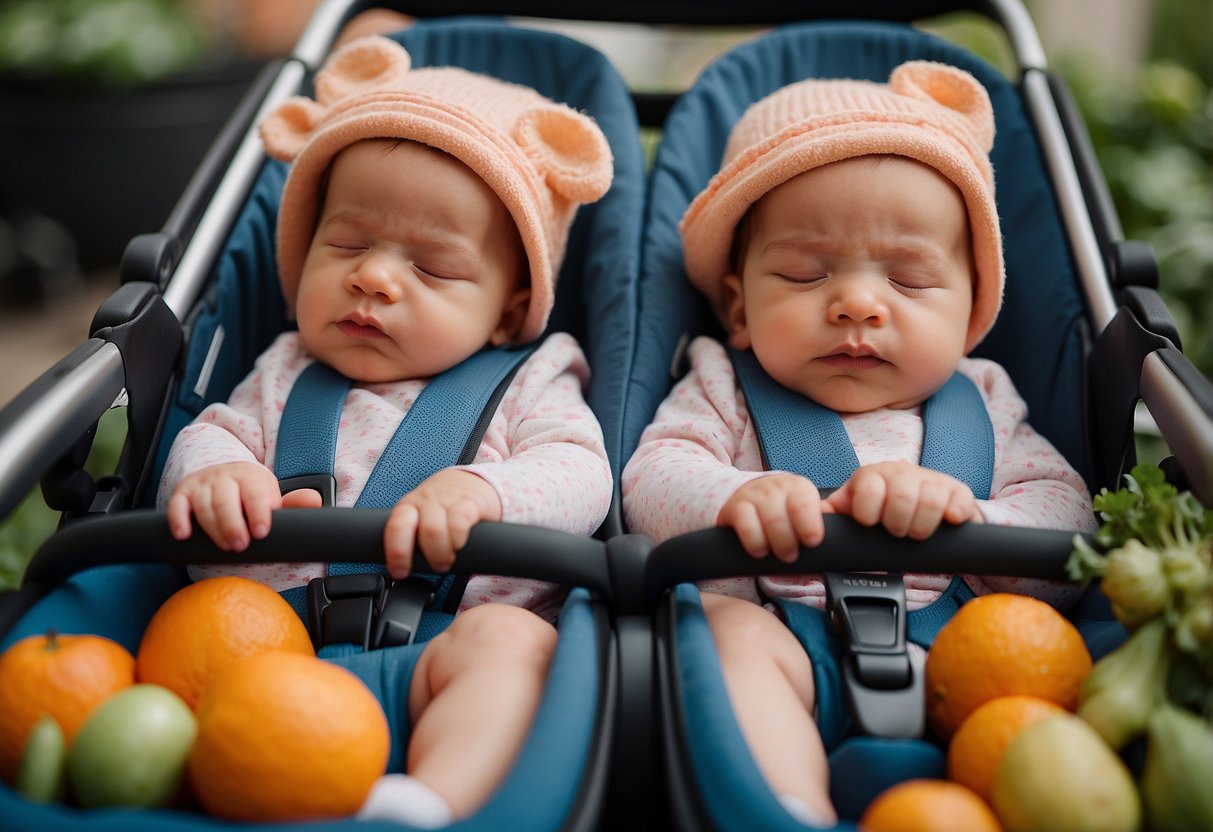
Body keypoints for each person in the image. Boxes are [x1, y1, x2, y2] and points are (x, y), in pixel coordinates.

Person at [622, 60, 1096, 826]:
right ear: (737, 309)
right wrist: (734, 496)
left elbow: (1068, 523)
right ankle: (784, 807)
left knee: (1035, 656)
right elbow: (648, 482)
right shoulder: (720, 383)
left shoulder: (984, 400)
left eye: (907, 282)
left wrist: (969, 518)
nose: (856, 304)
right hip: (783, 644)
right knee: (722, 638)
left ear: (971, 309)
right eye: (807, 275)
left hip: (967, 659)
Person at [157, 36, 615, 827]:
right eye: (346, 245)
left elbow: (581, 472)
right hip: (265, 652)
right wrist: (214, 474)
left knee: (515, 644)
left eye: (431, 269)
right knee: (191, 632)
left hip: (449, 640)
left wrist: (483, 489)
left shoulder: (531, 376)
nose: (373, 277)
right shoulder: (283, 367)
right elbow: (218, 430)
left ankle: (428, 803)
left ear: (509, 311)